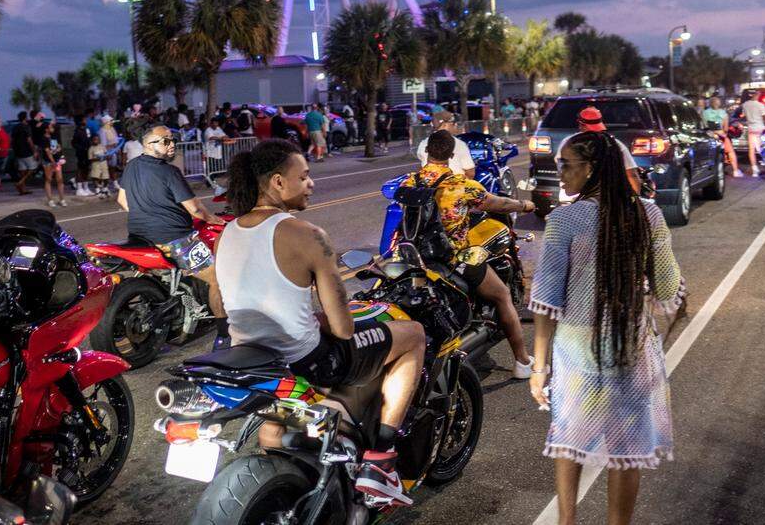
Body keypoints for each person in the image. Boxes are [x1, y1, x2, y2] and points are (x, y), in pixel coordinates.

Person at [214, 139, 425, 507]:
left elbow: (219, 306)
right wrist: (321, 320)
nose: (312, 183)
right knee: (413, 335)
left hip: (251, 358)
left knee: (274, 422)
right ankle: (382, 459)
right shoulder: (308, 235)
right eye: (305, 176)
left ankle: (289, 449)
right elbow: (343, 329)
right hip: (307, 360)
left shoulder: (227, 232)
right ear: (278, 182)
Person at [529, 131, 683, 525]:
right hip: (631, 347)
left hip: (576, 348)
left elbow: (547, 301)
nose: (559, 172)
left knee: (569, 437)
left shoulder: (563, 219)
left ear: (591, 169)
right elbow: (667, 287)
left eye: (566, 165)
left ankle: (567, 522)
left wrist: (538, 367)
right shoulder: (646, 213)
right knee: (626, 446)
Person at [402, 130, 536, 378]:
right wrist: (524, 205)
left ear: (427, 152)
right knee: (502, 295)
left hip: (417, 259)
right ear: (452, 154)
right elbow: (498, 203)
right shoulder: (461, 185)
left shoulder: (410, 182)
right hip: (452, 259)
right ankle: (523, 362)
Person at [117, 123, 224, 244]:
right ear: (149, 145)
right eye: (165, 141)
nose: (172, 144)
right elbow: (195, 209)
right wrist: (213, 219)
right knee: (212, 262)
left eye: (173, 140)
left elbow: (122, 200)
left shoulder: (131, 165)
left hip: (138, 237)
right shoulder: (170, 172)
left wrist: (145, 216)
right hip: (174, 238)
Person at [557, 106, 641, 194]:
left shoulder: (568, 143)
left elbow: (561, 167)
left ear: (580, 124)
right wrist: (635, 200)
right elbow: (632, 175)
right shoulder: (615, 144)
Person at [416, 110, 475, 177]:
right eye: (453, 123)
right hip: (454, 185)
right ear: (445, 124)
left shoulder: (423, 143)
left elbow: (422, 165)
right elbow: (470, 173)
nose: (455, 126)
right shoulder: (459, 144)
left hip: (429, 182)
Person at [702, 97, 743, 177]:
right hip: (721, 135)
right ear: (719, 104)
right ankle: (735, 171)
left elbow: (704, 125)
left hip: (709, 135)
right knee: (730, 151)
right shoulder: (723, 113)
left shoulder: (705, 113)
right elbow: (726, 128)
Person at [740, 94, 765, 177]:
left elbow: (743, 115)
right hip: (760, 128)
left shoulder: (745, 105)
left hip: (751, 129)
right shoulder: (760, 105)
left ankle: (754, 169)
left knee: (751, 150)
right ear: (755, 95)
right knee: (764, 147)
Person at [41, 121, 67, 208]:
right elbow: (48, 152)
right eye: (50, 126)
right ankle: (50, 200)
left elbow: (58, 147)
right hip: (48, 162)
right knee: (49, 179)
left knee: (60, 179)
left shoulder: (53, 137)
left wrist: (58, 153)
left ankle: (62, 199)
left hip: (57, 161)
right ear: (46, 129)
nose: (52, 128)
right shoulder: (44, 139)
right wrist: (53, 162)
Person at [11, 111, 38, 195]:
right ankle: (20, 182)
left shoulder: (15, 127)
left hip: (18, 152)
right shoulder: (26, 127)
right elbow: (29, 140)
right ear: (25, 118)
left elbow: (12, 140)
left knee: (22, 170)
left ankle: (22, 190)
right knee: (33, 168)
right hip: (27, 151)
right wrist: (34, 151)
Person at [72, 114, 93, 197]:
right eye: (84, 119)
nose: (86, 121)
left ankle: (86, 187)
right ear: (80, 121)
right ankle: (79, 188)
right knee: (80, 169)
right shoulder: (77, 131)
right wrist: (81, 149)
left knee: (86, 170)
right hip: (81, 153)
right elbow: (74, 143)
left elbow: (89, 139)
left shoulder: (86, 129)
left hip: (88, 152)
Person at [99, 113, 121, 189]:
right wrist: (107, 153)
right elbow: (103, 144)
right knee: (105, 169)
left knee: (113, 168)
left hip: (114, 151)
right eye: (110, 121)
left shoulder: (112, 129)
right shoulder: (102, 131)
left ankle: (115, 183)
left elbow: (116, 140)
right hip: (107, 152)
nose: (112, 122)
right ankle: (104, 185)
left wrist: (117, 149)